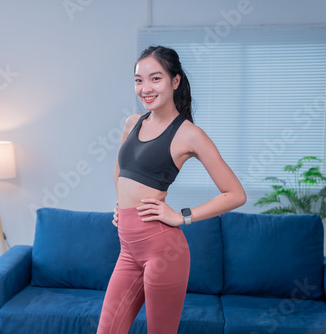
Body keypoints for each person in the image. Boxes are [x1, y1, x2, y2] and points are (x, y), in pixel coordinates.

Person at [96, 45, 247, 334]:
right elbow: (120, 170)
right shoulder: (133, 123)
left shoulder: (189, 134)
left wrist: (181, 216)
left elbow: (235, 194)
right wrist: (122, 207)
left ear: (175, 81)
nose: (145, 88)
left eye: (155, 78)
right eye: (139, 80)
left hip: (163, 251)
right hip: (127, 250)